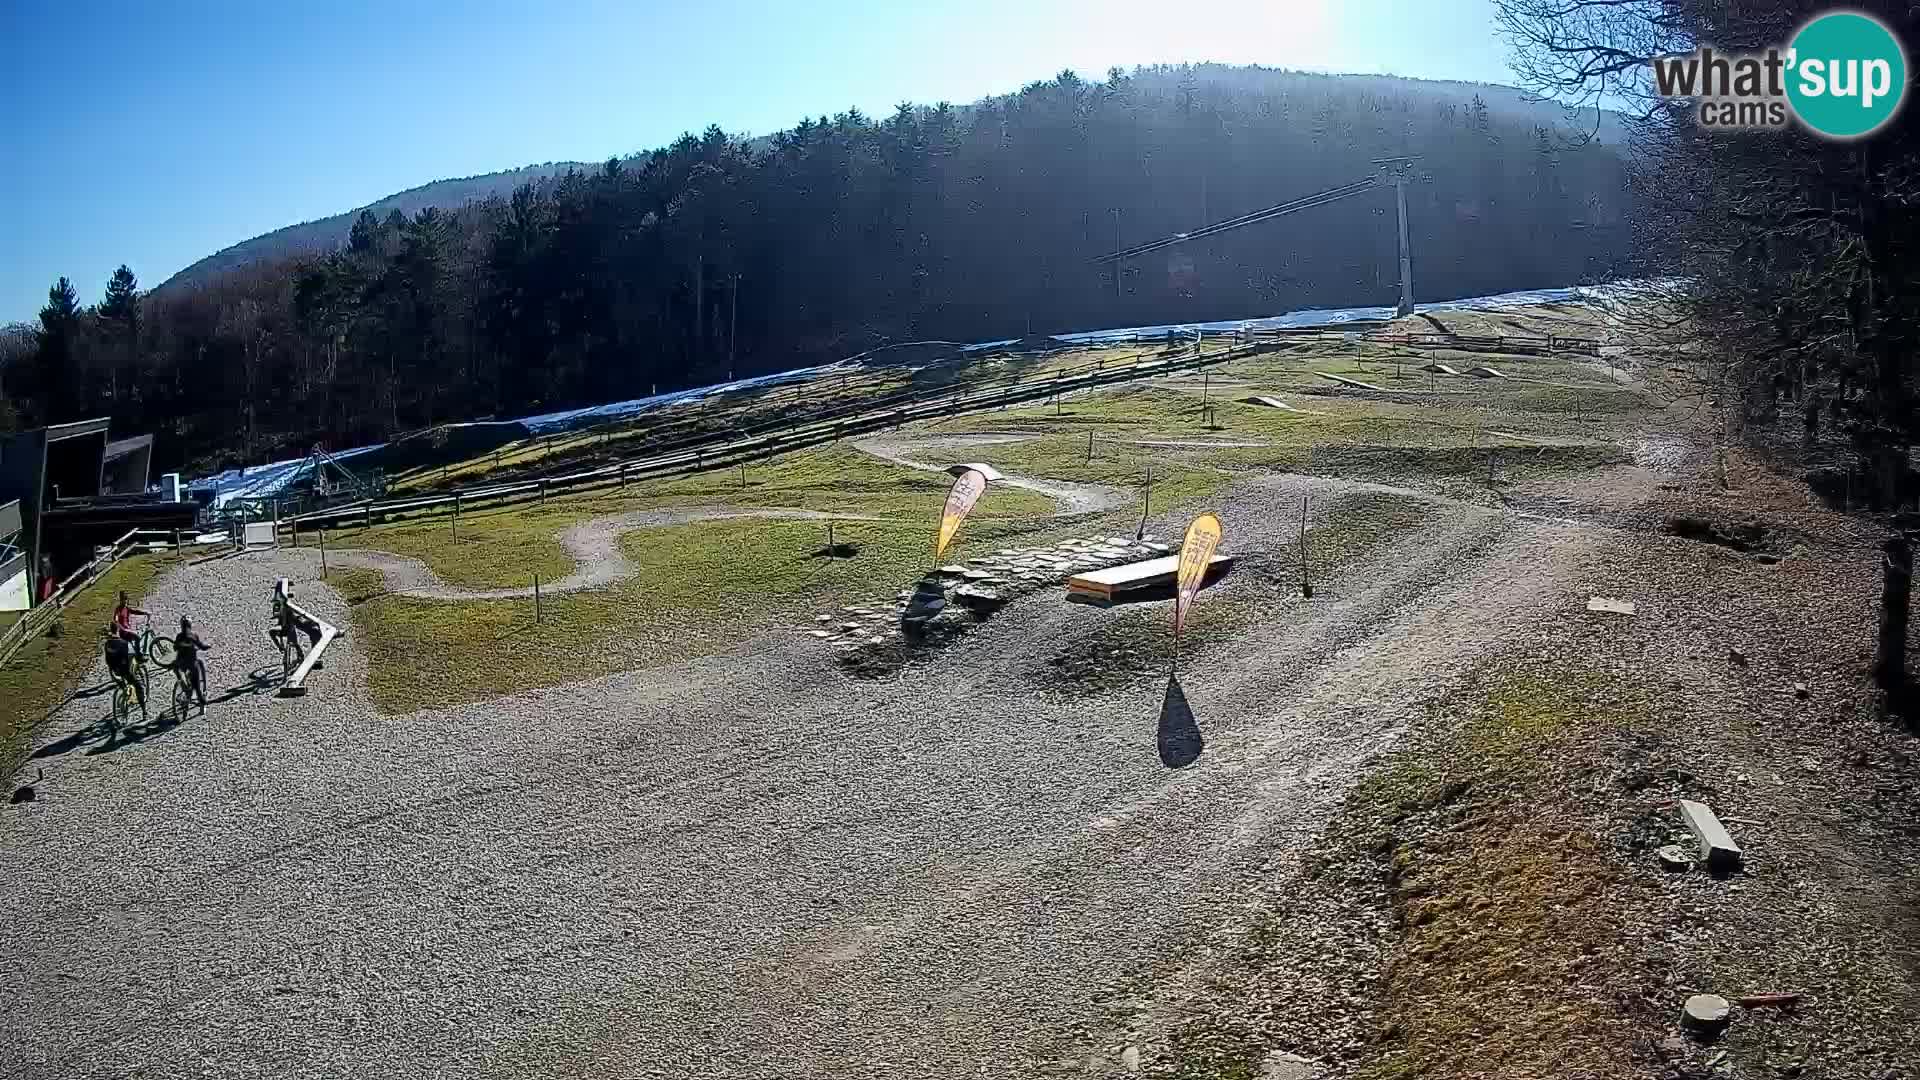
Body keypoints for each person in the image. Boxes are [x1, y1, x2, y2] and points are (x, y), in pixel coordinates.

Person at [102, 625, 148, 721]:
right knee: (139, 687)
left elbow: (107, 660)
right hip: (124, 670)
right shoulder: (124, 643)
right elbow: (131, 656)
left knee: (123, 685)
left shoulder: (107, 644)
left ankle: (124, 691)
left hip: (113, 671)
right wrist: (139, 656)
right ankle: (144, 711)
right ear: (118, 631)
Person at [172, 616, 212, 711]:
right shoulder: (193, 636)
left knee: (179, 674)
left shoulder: (179, 636)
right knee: (197, 685)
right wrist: (208, 646)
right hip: (191, 663)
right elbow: (201, 646)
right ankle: (202, 704)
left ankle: (184, 688)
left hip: (180, 663)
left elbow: (175, 648)